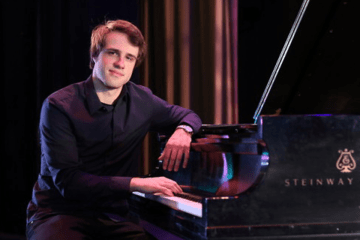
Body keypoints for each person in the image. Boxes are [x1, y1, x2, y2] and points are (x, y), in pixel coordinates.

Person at [26, 19, 202, 240]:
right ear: (94, 55)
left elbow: (188, 115)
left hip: (114, 216)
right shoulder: (58, 106)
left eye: (129, 57)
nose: (121, 63)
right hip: (59, 212)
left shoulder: (143, 100)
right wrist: (137, 184)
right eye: (113, 53)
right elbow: (69, 183)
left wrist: (183, 131)